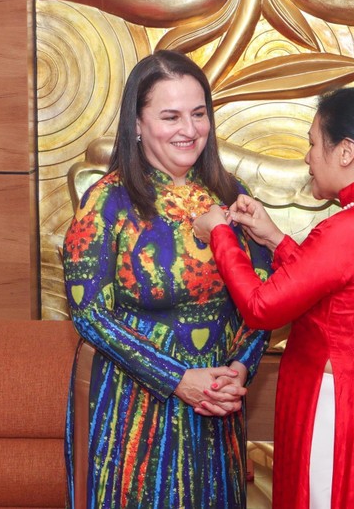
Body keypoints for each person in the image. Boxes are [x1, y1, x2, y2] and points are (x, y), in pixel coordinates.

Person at [194, 86, 354, 509]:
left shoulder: (350, 226)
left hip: (334, 407)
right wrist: (274, 237)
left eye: (313, 144)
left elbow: (262, 307)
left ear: (345, 152)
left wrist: (220, 237)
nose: (308, 157)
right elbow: (339, 295)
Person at [62, 50, 272, 509]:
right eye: (171, 116)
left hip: (216, 404)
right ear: (137, 124)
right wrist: (176, 378)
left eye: (199, 114)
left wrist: (239, 369)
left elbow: (263, 296)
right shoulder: (107, 201)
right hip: (133, 407)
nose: (190, 130)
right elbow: (89, 314)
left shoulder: (232, 194)